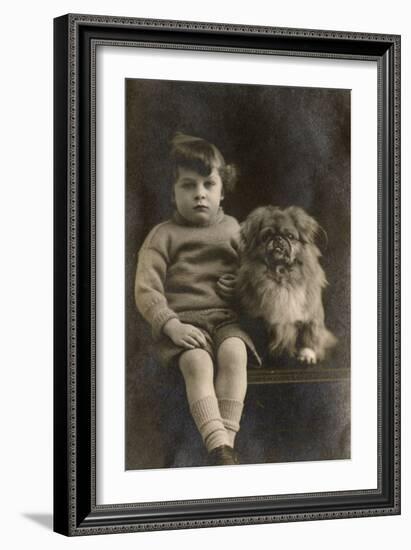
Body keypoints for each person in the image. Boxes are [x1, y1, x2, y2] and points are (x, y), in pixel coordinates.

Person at [135, 132, 260, 466]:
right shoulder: (163, 235)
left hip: (225, 320)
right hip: (184, 324)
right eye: (188, 186)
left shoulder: (235, 230)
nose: (199, 194)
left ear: (222, 191)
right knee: (197, 363)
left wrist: (240, 289)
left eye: (209, 184)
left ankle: (225, 446)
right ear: (173, 192)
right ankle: (218, 444)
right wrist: (170, 325)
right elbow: (146, 288)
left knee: (235, 353)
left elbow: (254, 278)